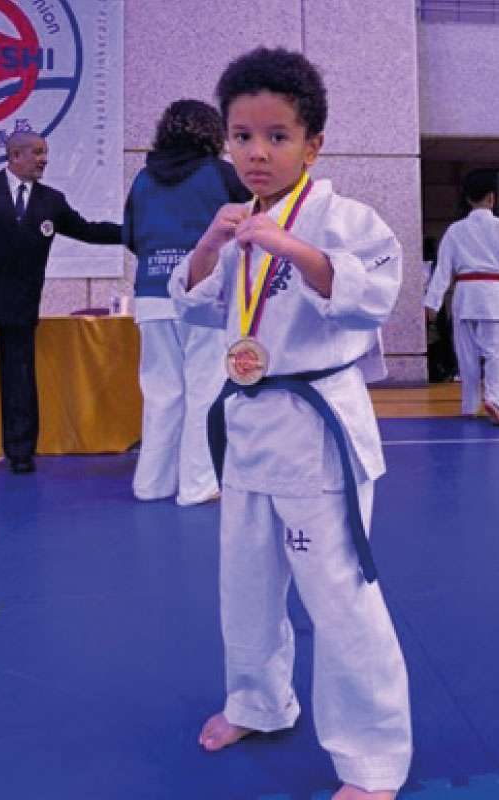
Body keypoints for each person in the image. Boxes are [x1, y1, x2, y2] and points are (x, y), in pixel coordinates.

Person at [167, 47, 411, 800]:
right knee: (244, 586)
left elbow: (374, 300)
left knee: (338, 595)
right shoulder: (237, 220)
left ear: (314, 144)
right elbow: (196, 306)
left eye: (277, 136)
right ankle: (258, 701)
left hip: (316, 434)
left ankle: (372, 760)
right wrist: (212, 243)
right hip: (248, 424)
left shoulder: (347, 219)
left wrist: (294, 248)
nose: (257, 152)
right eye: (242, 136)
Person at [0, 131, 122, 475]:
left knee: (19, 379)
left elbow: (88, 230)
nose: (43, 159)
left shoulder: (51, 201)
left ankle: (20, 451)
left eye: (45, 152)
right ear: (14, 155)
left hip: (21, 301)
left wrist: (137, 230)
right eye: (37, 152)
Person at [124, 99, 252, 505]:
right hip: (204, 296)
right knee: (204, 388)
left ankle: (152, 484)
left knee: (161, 392)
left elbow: (129, 235)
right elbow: (250, 225)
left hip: (150, 295)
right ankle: (198, 484)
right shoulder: (221, 174)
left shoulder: (143, 179)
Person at [422, 170, 499, 425]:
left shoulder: (455, 231)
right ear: (492, 198)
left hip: (466, 296)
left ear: (468, 199)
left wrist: (432, 303)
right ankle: (494, 399)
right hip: (495, 296)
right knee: (496, 354)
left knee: (466, 355)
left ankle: (469, 406)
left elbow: (443, 270)